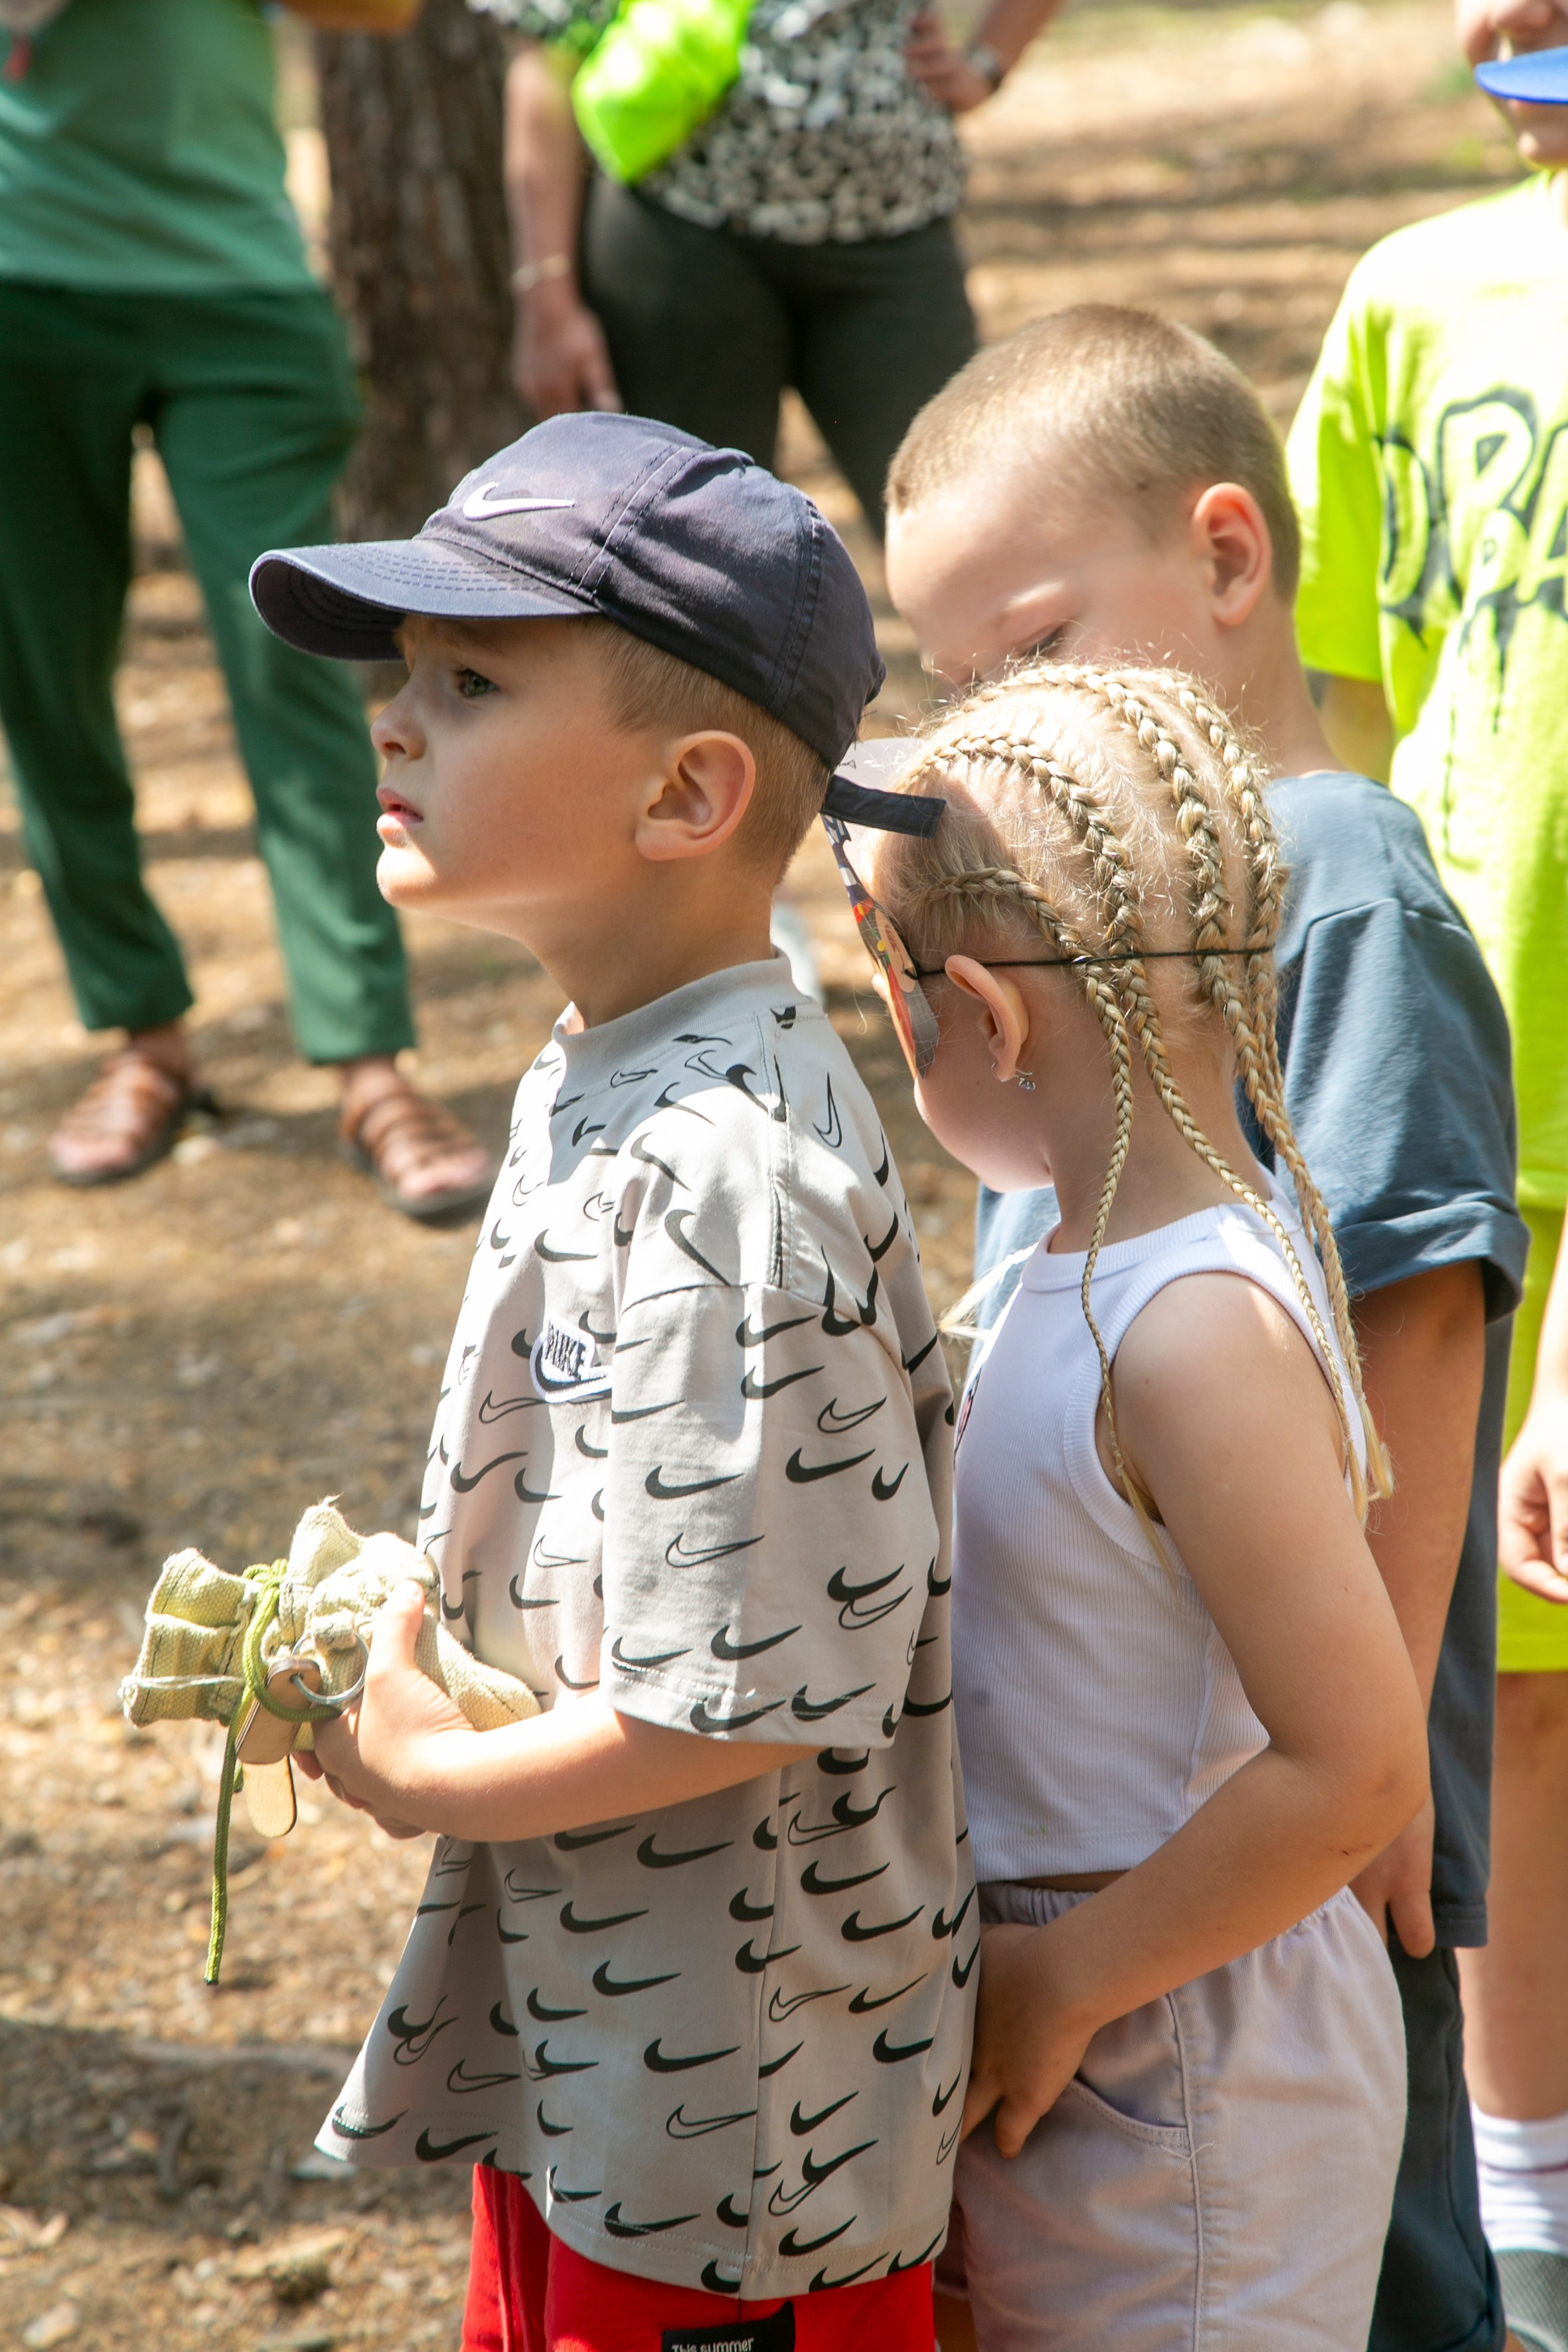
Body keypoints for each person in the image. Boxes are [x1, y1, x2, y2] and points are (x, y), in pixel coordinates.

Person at [246, 410, 976, 2349]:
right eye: (407, 676)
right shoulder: (612, 1063)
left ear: (686, 792)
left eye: (469, 683)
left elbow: (745, 1693)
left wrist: (426, 1771)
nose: (394, 720)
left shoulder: (731, 1176)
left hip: (735, 2135)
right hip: (595, 2052)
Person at [883, 306, 1528, 2352]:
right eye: (961, 681)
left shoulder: (1328, 868)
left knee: (1362, 2269)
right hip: (1168, 1797)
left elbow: (1413, 1322)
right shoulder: (1058, 929)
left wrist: (1380, 1769)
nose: (1002, 721)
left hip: (1286, 1814)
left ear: (1228, 556)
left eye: (1037, 648)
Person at [850, 657, 1429, 2347]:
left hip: (1182, 2052)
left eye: (889, 995)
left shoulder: (1190, 1329)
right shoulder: (1085, 1266)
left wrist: (1061, 1979)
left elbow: (1357, 1765)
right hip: (1109, 2023)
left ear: (984, 1013)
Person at [1284, 7, 1568, 2332]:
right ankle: (1531, 2220)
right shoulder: (1413, 294)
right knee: (1518, 1698)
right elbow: (1364, 716)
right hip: (1493, 1129)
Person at [0, 0, 493, 1215]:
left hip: (239, 286)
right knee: (44, 675)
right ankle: (143, 1035)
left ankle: (368, 1059)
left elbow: (384, 10)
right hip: (20, 275)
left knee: (292, 659)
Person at [488, 0, 1063, 536]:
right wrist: (545, 297)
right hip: (679, 236)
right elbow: (545, 58)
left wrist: (986, 63)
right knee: (694, 551)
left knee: (965, 527)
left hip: (896, 235)